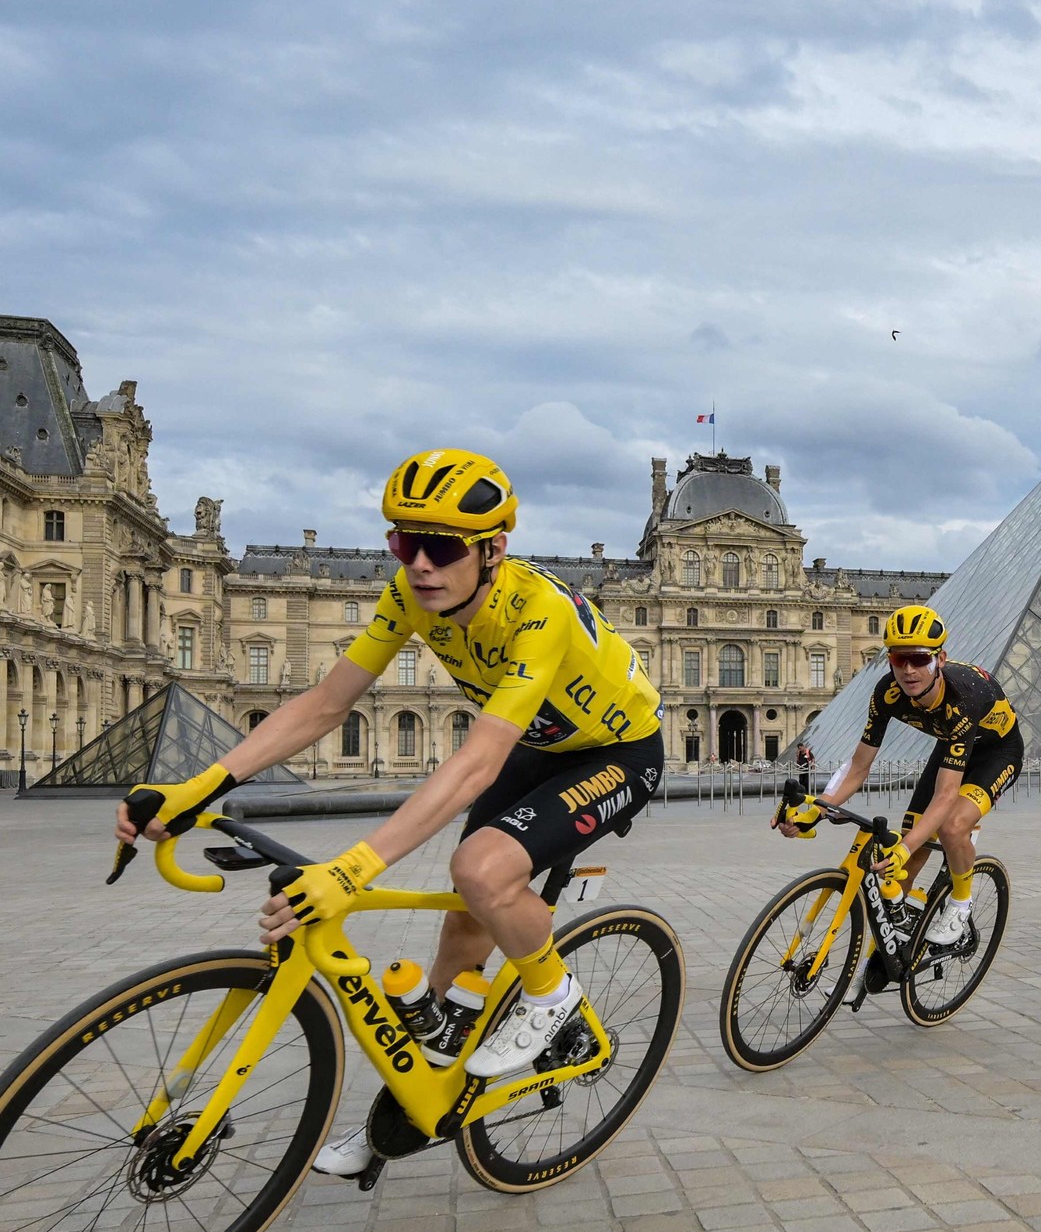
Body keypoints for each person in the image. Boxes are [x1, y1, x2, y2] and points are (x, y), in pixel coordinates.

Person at [113, 450, 665, 1177]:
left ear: (493, 550)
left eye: (441, 548)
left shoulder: (540, 613)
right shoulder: (408, 594)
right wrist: (200, 785)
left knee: (481, 868)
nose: (420, 565)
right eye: (405, 544)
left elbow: (473, 764)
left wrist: (356, 866)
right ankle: (406, 1114)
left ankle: (551, 993)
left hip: (619, 751)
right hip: (539, 745)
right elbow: (325, 704)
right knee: (459, 936)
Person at [775, 605, 1022, 948]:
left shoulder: (961, 698)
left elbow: (947, 795)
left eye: (919, 659)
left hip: (996, 752)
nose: (908, 670)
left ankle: (960, 904)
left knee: (950, 827)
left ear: (940, 659)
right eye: (898, 658)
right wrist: (817, 809)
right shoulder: (886, 693)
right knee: (907, 852)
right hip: (951, 746)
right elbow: (859, 766)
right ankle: (889, 951)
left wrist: (905, 847)